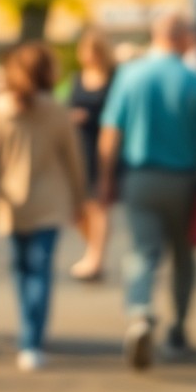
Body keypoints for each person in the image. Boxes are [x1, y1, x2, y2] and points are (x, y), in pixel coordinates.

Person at [99, 13, 196, 371]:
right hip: (184, 180)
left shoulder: (130, 75)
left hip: (140, 177)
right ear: (184, 37)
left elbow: (111, 132)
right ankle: (178, 330)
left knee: (142, 253)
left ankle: (140, 312)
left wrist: (106, 178)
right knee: (183, 257)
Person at [0, 43, 87, 372]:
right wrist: (80, 201)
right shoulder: (55, 109)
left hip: (12, 202)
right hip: (49, 201)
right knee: (39, 269)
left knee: (23, 269)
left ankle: (30, 332)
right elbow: (73, 160)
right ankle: (32, 336)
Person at [66, 28, 116, 282]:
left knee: (98, 204)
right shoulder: (77, 78)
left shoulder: (113, 77)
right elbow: (65, 106)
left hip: (104, 145)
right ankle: (92, 248)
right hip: (79, 146)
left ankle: (95, 257)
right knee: (81, 207)